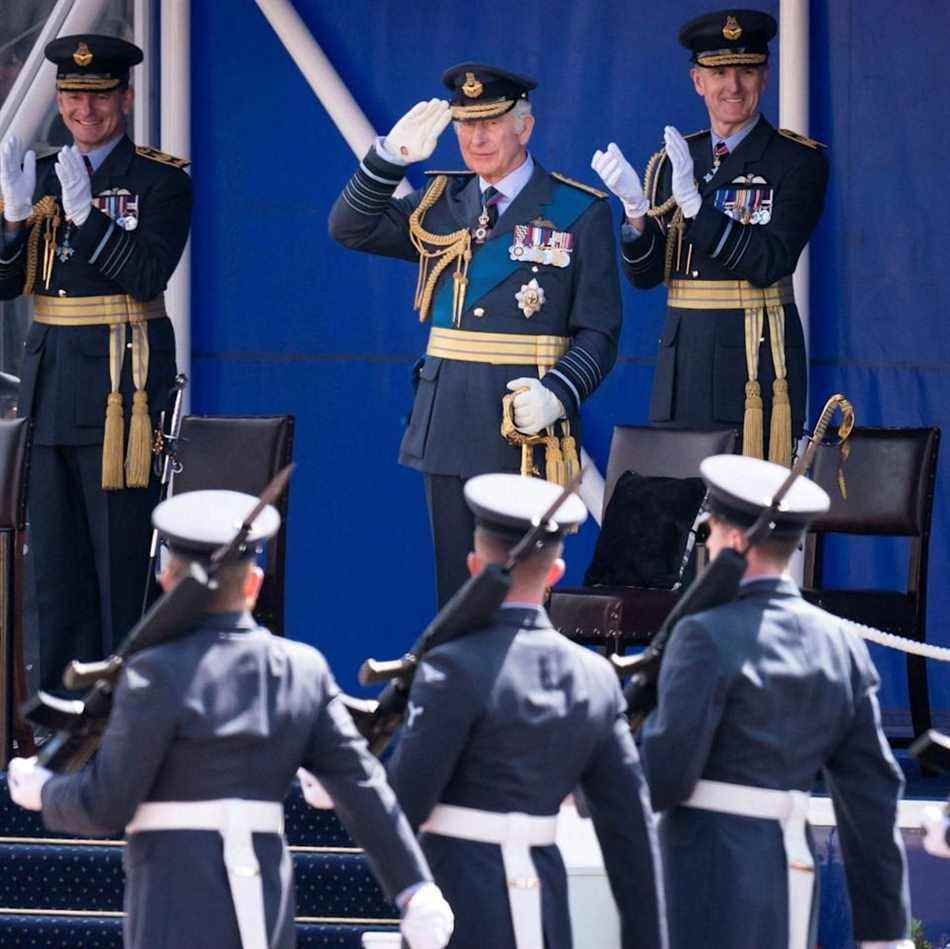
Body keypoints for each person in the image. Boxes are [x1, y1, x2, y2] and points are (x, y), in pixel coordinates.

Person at [6, 488, 454, 949]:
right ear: (253, 584)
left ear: (167, 580)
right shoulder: (301, 670)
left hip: (174, 908)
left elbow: (107, 804)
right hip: (265, 906)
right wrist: (416, 889)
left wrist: (45, 791)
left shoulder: (153, 675)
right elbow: (362, 790)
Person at [330, 63, 622, 606]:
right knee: (457, 595)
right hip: (447, 420)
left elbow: (599, 332)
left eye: (491, 122)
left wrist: (560, 392)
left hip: (526, 426)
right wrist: (386, 160)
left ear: (525, 127)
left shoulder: (577, 210)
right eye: (465, 125)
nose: (476, 138)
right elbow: (350, 227)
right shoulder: (441, 201)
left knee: (518, 593)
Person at [385, 473, 668, 949]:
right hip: (548, 912)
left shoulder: (452, 668)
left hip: (462, 909)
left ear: (475, 566)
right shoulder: (594, 678)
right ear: (556, 574)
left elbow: (406, 800)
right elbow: (630, 837)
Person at [640, 454, 912, 949]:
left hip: (709, 873)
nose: (711, 545)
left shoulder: (704, 635)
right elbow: (871, 797)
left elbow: (667, 774)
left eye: (713, 533)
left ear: (735, 541)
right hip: (794, 868)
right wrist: (886, 935)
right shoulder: (839, 644)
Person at [0, 34, 192, 692]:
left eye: (98, 95)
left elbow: (144, 275)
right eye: (71, 95)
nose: (83, 108)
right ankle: (58, 718)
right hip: (50, 388)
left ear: (126, 98)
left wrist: (86, 218)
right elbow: (7, 285)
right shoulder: (46, 172)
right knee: (52, 575)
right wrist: (16, 219)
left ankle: (125, 721)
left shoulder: (161, 181)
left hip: (120, 393)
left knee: (118, 573)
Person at [591, 10, 828, 466]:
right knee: (677, 514)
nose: (732, 87)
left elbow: (769, 261)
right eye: (719, 73)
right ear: (698, 81)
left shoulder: (797, 162)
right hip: (682, 365)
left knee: (746, 520)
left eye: (745, 71)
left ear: (765, 76)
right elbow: (646, 277)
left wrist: (699, 210)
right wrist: (635, 214)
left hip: (754, 368)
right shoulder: (675, 158)